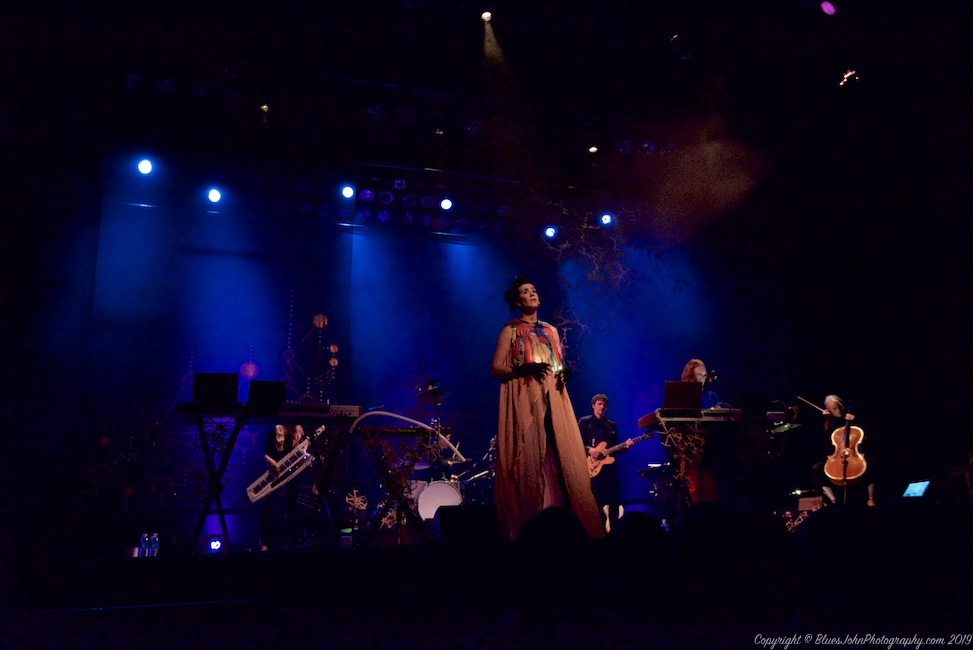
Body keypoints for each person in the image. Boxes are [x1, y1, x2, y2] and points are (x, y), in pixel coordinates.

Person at [490, 275, 604, 540]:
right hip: (526, 397)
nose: (532, 294)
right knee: (530, 453)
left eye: (534, 290)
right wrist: (523, 367)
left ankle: (572, 522)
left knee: (561, 449)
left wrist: (565, 374)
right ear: (518, 301)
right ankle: (530, 526)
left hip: (553, 396)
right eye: (526, 292)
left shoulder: (550, 330)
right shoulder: (511, 330)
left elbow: (558, 362)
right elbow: (495, 368)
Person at [578, 393, 633, 532]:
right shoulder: (584, 422)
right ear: (593, 405)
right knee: (595, 501)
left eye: (604, 404)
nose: (602, 407)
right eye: (599, 404)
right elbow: (577, 443)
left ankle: (614, 532)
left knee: (614, 500)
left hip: (609, 471)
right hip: (592, 469)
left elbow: (615, 448)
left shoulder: (611, 425)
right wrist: (589, 450)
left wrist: (626, 447)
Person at [812, 395, 876, 507]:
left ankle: (871, 498)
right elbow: (826, 439)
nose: (835, 411)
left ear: (840, 406)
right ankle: (833, 499)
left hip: (854, 453)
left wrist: (855, 420)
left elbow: (864, 433)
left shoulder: (852, 417)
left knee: (872, 465)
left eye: (836, 408)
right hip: (837, 454)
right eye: (832, 409)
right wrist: (827, 420)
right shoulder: (830, 420)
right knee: (817, 468)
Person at [260, 423, 305, 551]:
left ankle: (289, 543)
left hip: (292, 479)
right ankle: (265, 542)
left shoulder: (299, 433)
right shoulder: (273, 432)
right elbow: (265, 453)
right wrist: (271, 462)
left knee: (290, 510)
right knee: (269, 509)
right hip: (274, 476)